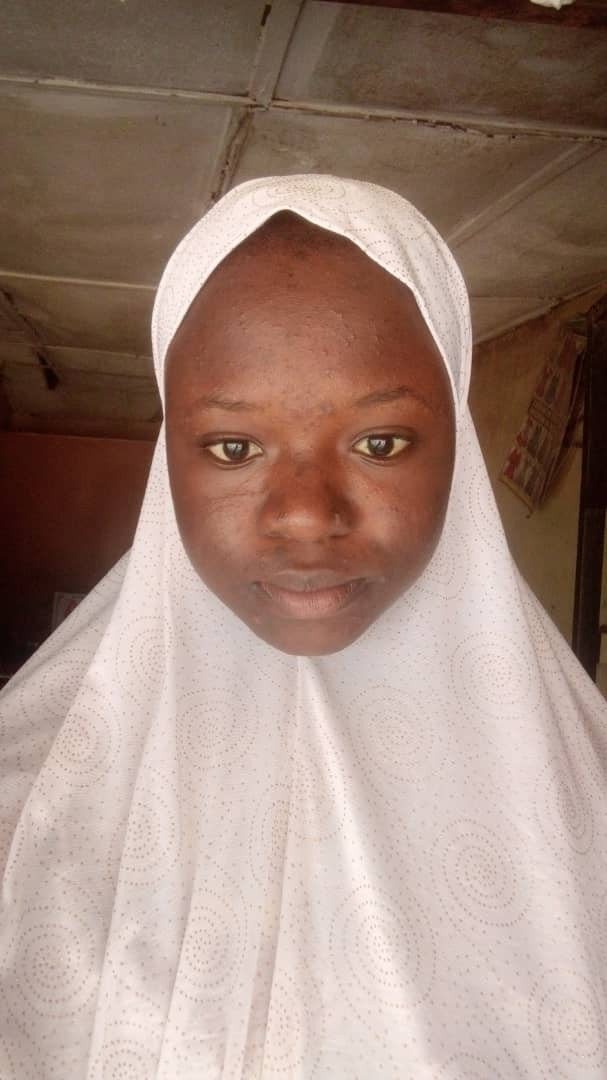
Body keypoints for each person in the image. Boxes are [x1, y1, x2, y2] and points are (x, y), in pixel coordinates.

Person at [1, 174, 606, 1078]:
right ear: (169, 464)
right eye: (233, 447)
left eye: (379, 443)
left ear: (459, 452)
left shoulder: (579, 807)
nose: (305, 516)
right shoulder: (30, 808)